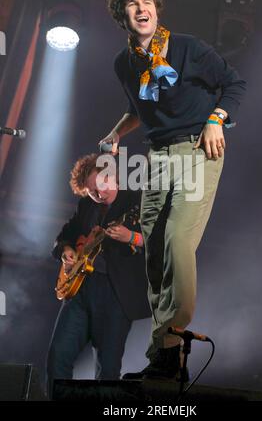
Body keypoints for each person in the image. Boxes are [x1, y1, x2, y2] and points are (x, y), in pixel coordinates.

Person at [99, 0, 246, 380]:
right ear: (122, 17)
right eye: (131, 6)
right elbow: (140, 109)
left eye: (146, 1)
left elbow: (234, 84)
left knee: (179, 241)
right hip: (158, 157)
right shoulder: (123, 64)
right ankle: (163, 353)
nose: (141, 9)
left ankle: (169, 342)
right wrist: (115, 133)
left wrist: (218, 119)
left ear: (156, 8)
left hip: (198, 150)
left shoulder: (188, 48)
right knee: (156, 254)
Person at [46, 152, 150, 398]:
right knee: (58, 357)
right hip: (80, 290)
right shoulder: (86, 206)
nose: (99, 194)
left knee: (108, 370)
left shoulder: (137, 199)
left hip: (116, 294)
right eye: (92, 191)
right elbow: (63, 238)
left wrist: (131, 237)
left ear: (112, 177)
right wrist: (67, 251)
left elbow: (163, 239)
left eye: (101, 186)